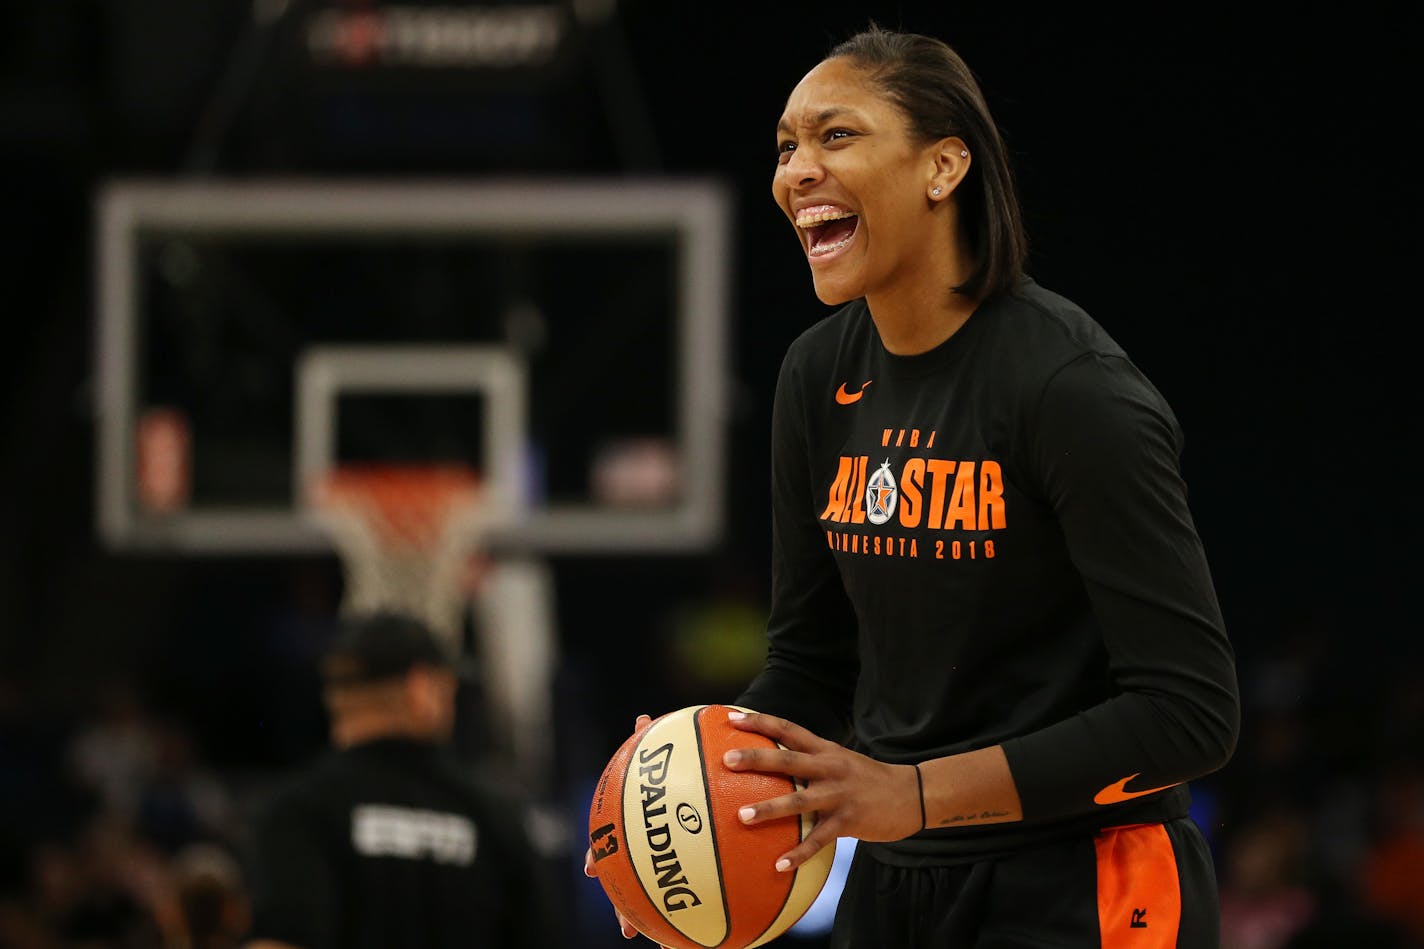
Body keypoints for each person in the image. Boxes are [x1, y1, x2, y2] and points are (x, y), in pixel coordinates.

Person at [588, 22, 1240, 948]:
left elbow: (1191, 714)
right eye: (785, 146)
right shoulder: (818, 377)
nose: (796, 171)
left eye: (835, 135)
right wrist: (687, 789)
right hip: (895, 882)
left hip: (1088, 884)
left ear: (944, 167)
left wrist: (915, 792)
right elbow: (813, 661)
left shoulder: (1071, 390)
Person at [241, 610, 560, 949]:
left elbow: (281, 941)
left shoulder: (297, 810)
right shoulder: (495, 813)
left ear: (335, 695)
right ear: (421, 688)